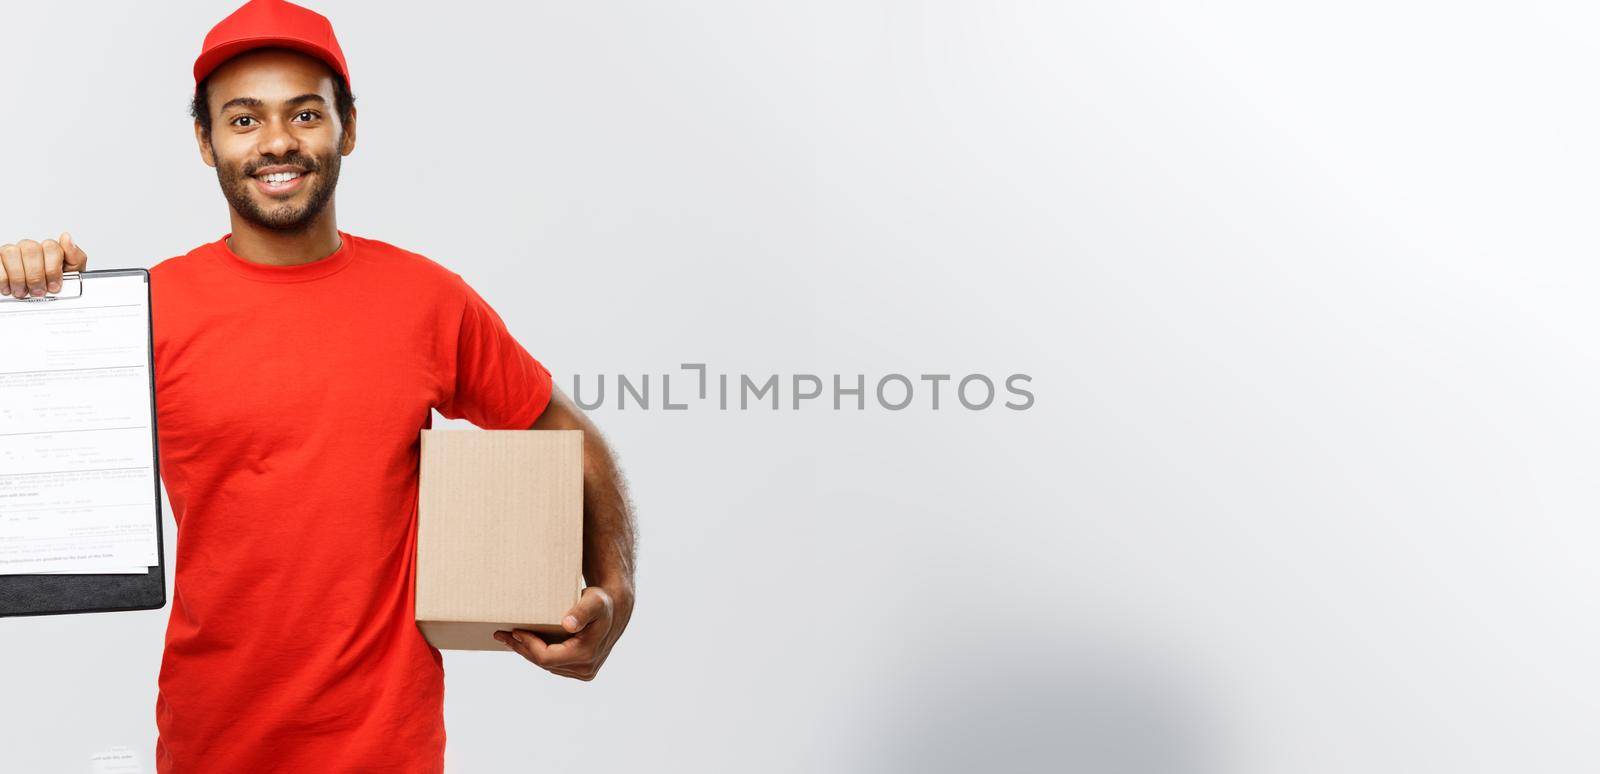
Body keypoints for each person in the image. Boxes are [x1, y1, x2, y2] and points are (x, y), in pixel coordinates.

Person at [0, 1, 637, 771]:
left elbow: (568, 437)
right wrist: (31, 310)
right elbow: (34, 462)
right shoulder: (145, 310)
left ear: (350, 129)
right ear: (205, 142)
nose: (276, 142)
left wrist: (615, 589)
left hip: (388, 749)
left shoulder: (427, 301)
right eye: (243, 120)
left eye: (305, 114)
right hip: (212, 744)